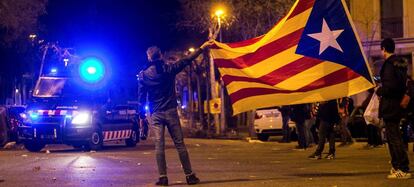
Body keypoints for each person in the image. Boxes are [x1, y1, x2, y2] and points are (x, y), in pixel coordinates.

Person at [138, 40, 214, 186]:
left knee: (159, 145)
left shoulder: (143, 76)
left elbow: (141, 98)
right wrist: (202, 48)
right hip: (171, 111)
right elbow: (186, 60)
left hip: (156, 114)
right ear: (160, 55)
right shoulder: (169, 69)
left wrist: (141, 116)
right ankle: (189, 176)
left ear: (149, 57)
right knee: (179, 144)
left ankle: (163, 178)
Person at [376, 38, 411, 179]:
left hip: (390, 106)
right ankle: (397, 166)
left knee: (394, 137)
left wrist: (379, 90)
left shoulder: (389, 65)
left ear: (384, 49)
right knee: (393, 136)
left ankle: (403, 168)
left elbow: (390, 87)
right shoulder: (399, 64)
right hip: (396, 105)